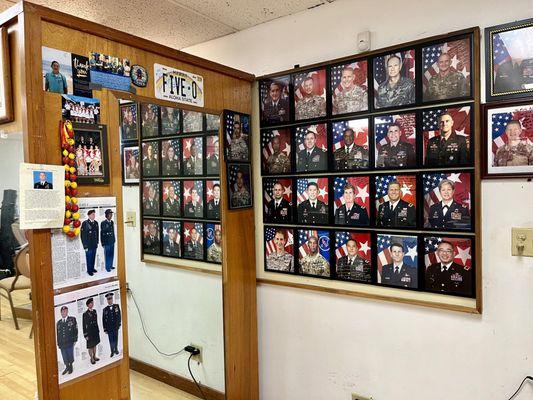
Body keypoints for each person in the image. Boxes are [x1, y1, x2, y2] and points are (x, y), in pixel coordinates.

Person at [56, 306, 78, 375]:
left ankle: (70, 366)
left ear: (67, 311)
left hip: (69, 341)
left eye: (65, 311)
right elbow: (58, 333)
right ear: (61, 313)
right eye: (62, 311)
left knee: (69, 354)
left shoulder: (72, 319)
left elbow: (75, 330)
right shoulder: (58, 323)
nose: (64, 312)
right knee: (64, 355)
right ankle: (67, 367)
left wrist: (75, 340)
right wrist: (58, 342)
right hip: (62, 343)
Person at [102, 293, 121, 357]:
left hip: (115, 326)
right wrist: (105, 329)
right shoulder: (105, 310)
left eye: (110, 299)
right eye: (108, 299)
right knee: (111, 340)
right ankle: (112, 351)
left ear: (112, 299)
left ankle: (116, 349)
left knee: (116, 338)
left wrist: (119, 324)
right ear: (107, 300)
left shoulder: (116, 306)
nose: (109, 300)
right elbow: (104, 320)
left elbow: (119, 315)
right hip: (109, 328)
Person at [81, 210, 99, 276]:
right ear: (88, 215)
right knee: (89, 257)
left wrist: (97, 242)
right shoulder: (85, 223)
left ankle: (92, 268)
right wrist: (85, 246)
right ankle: (89, 270)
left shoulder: (96, 223)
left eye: (94, 214)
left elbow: (97, 233)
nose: (93, 216)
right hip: (88, 245)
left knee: (93, 257)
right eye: (92, 214)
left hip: (94, 244)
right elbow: (83, 236)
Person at [82, 298, 100, 365]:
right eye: (90, 303)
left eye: (92, 303)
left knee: (95, 345)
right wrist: (85, 335)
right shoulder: (85, 314)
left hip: (95, 331)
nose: (92, 304)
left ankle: (94, 356)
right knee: (90, 346)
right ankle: (91, 358)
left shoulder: (94, 311)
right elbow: (84, 325)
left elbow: (96, 321)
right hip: (89, 332)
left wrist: (98, 330)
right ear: (87, 305)